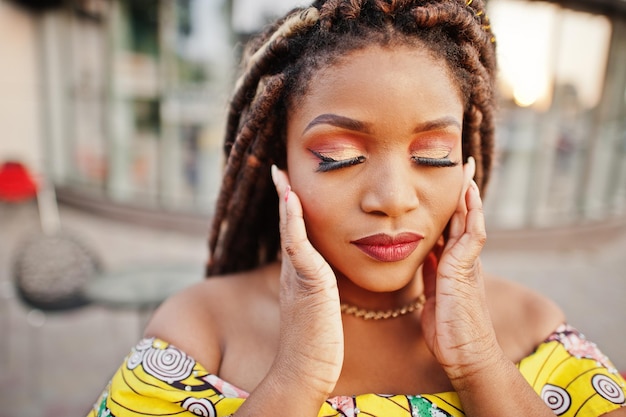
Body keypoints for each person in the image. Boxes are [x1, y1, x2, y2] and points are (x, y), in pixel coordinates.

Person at [87, 1, 626, 416]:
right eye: (340, 156)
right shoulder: (201, 327)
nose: (392, 198)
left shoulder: (532, 326)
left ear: (466, 163)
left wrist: (481, 362)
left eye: (433, 155)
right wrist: (296, 375)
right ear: (283, 165)